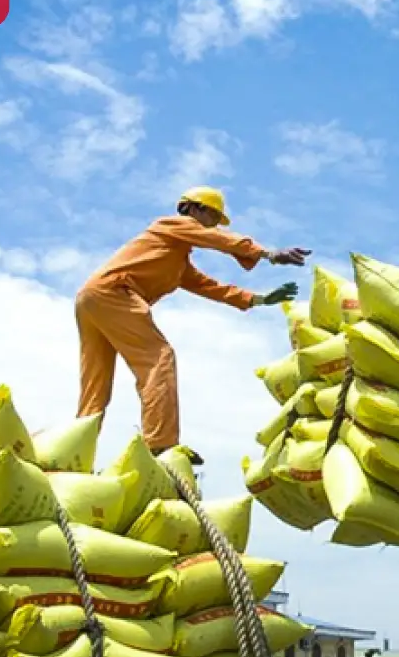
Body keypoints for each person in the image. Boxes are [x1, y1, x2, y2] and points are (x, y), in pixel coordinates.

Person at [75, 186, 310, 464]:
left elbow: (210, 287)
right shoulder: (169, 225)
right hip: (113, 293)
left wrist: (258, 299)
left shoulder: (175, 260)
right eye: (214, 217)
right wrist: (267, 254)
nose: (214, 225)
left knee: (96, 384)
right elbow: (212, 238)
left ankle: (75, 449)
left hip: (91, 299)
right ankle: (161, 445)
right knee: (159, 359)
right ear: (196, 209)